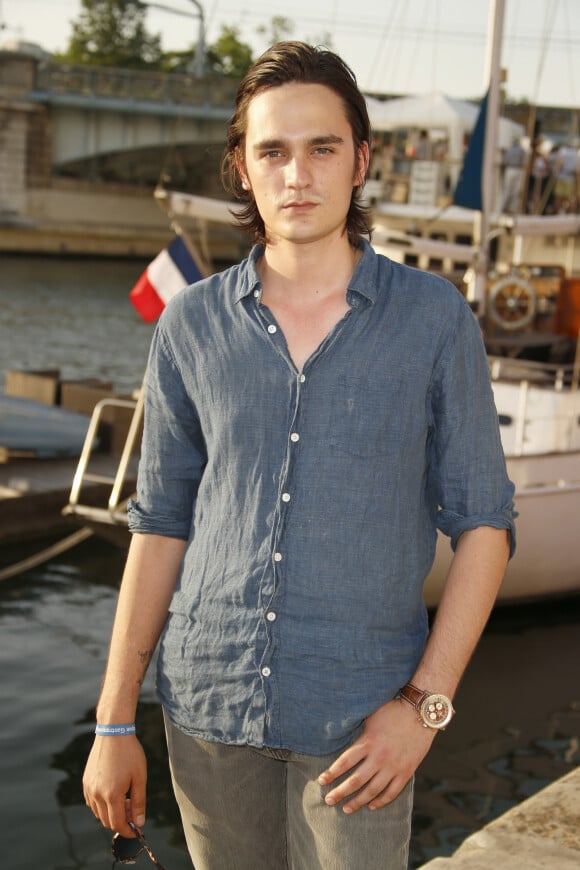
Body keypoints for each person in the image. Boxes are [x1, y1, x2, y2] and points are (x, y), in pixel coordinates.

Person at [83, 42, 516, 870]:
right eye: (272, 151)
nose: (297, 174)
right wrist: (112, 720)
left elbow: (486, 526)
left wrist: (423, 708)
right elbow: (161, 524)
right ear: (242, 169)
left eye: (322, 148)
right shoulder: (191, 326)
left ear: (361, 159)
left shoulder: (433, 321)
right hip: (206, 716)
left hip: (360, 725)